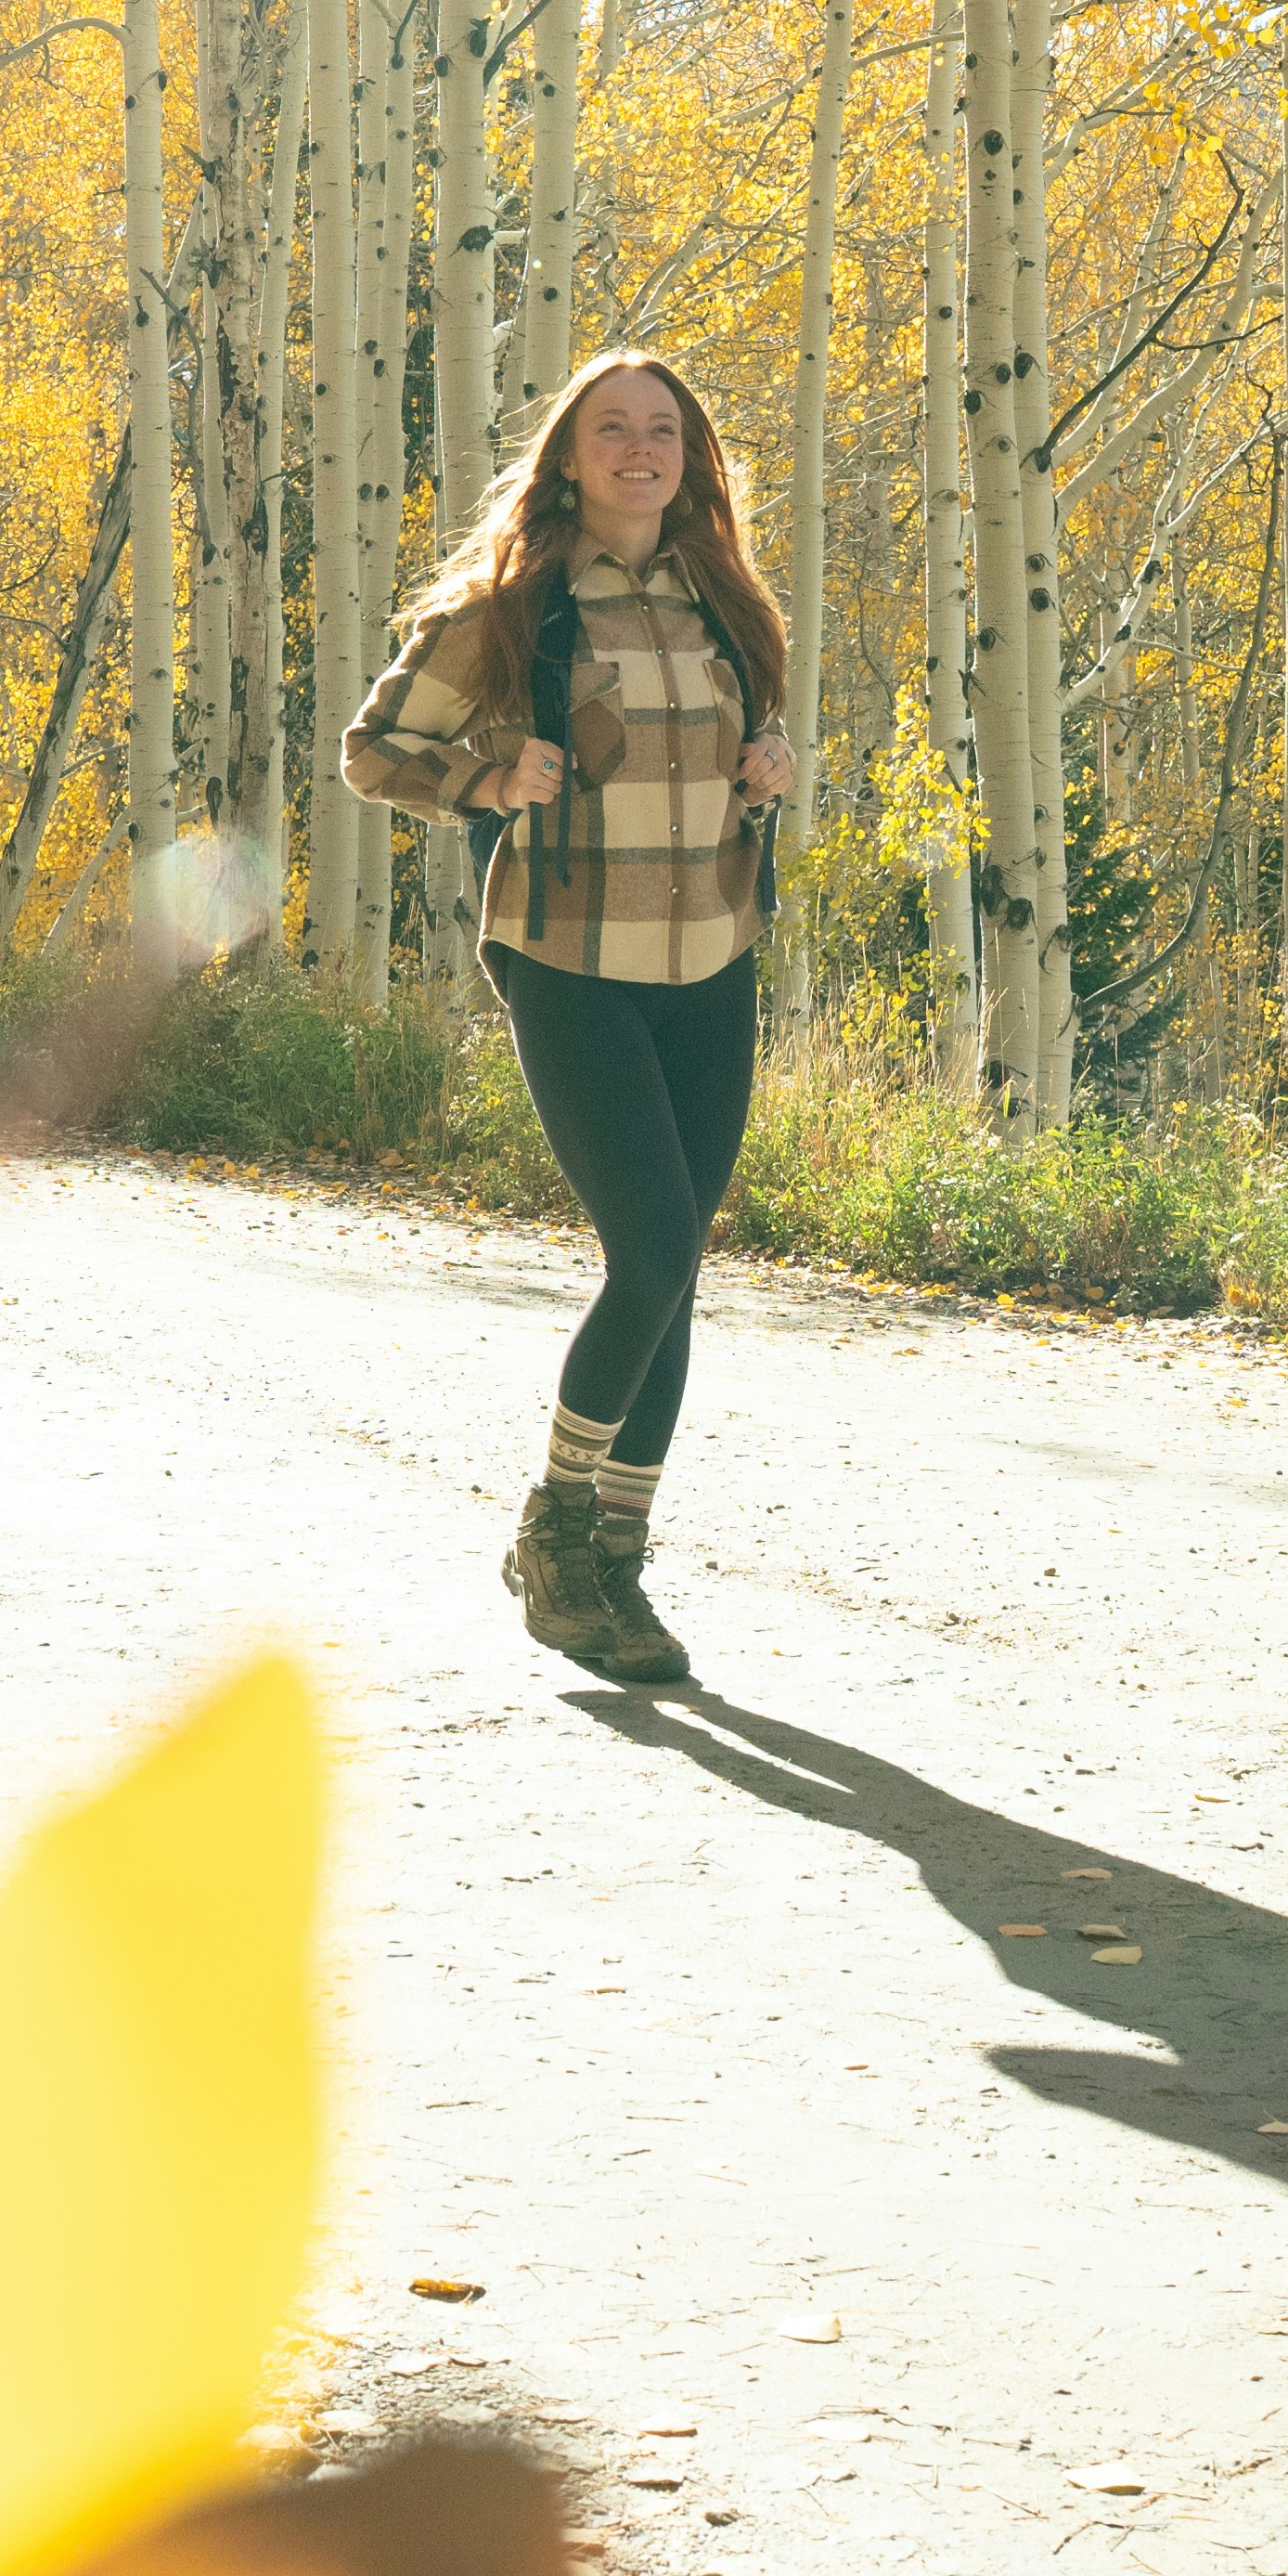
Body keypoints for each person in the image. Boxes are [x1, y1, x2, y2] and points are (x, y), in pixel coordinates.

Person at [339, 348, 796, 1684]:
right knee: (650, 1251)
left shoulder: (726, 604)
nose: (640, 450)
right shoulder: (514, 611)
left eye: (663, 432)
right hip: (570, 961)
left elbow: (737, 763)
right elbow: (373, 754)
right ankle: (554, 1532)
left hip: (713, 959)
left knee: (679, 1272)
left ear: (691, 460)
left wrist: (767, 770)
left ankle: (614, 1570)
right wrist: (485, 777)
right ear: (571, 456)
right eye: (613, 430)